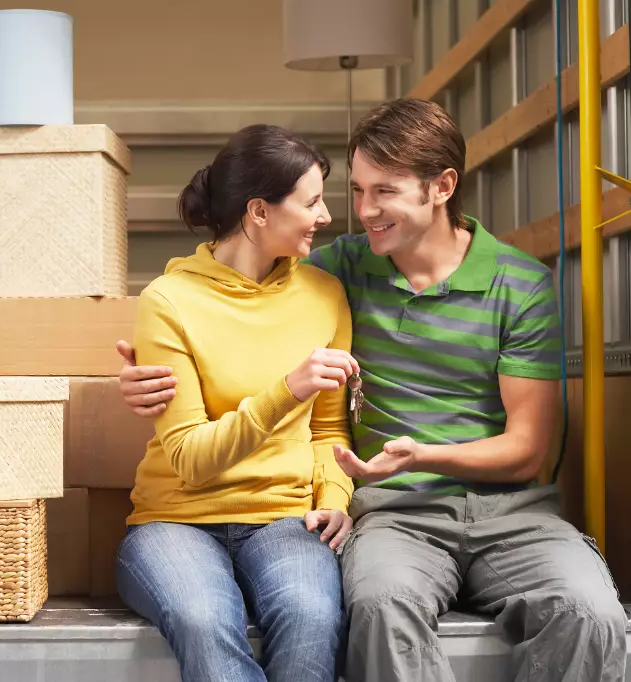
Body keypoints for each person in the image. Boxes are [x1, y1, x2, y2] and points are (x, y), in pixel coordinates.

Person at [115, 98, 628, 682]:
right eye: (355, 190)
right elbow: (235, 286)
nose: (359, 212)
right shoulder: (337, 272)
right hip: (394, 515)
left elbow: (528, 449)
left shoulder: (520, 286)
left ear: (442, 186)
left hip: (511, 513)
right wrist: (135, 375)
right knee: (379, 609)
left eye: (382, 191)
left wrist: (421, 456)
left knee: (590, 614)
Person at [117, 123, 362, 682]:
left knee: (313, 618)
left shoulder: (325, 296)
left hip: (284, 518)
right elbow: (190, 460)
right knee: (204, 620)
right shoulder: (169, 301)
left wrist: (335, 495)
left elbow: (328, 431)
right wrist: (287, 389)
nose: (325, 217)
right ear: (259, 212)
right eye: (312, 202)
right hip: (175, 522)